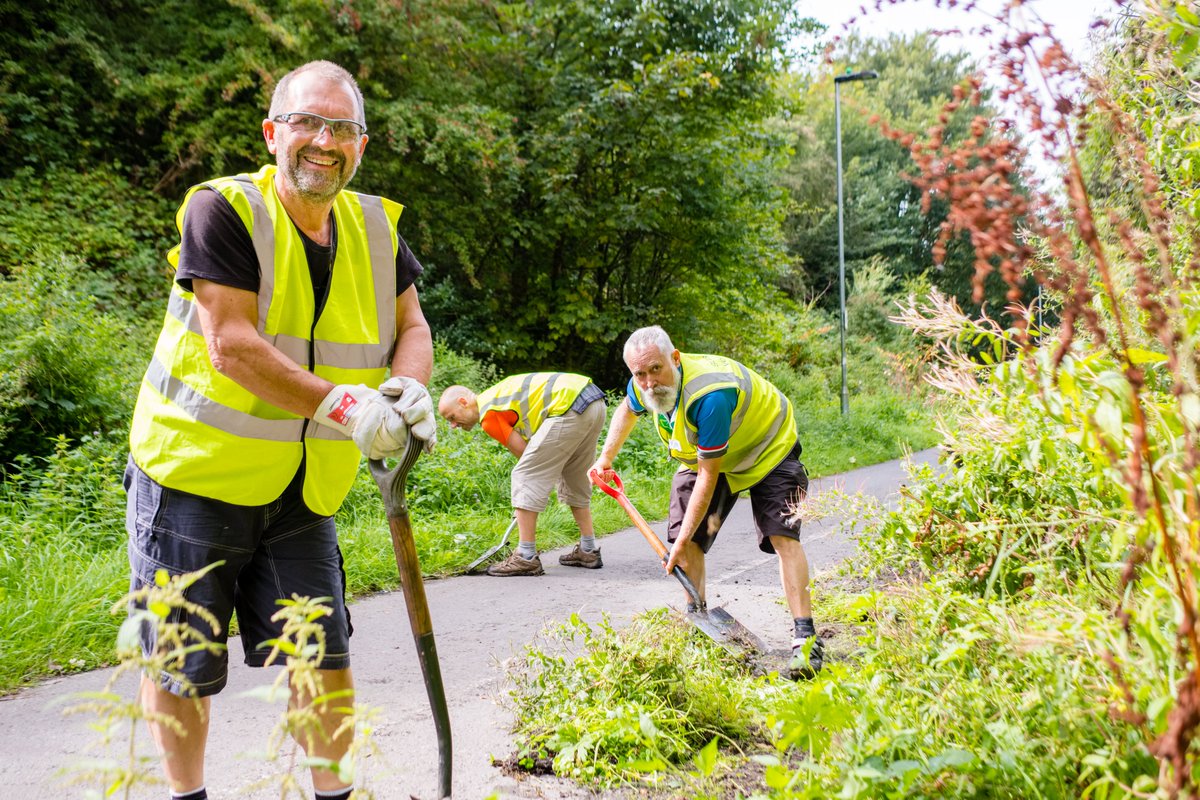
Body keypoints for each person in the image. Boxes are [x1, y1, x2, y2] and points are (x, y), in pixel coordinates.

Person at [124, 60, 437, 800]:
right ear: (273, 133)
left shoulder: (373, 226)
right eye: (307, 122)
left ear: (361, 144)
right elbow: (229, 345)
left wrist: (407, 389)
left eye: (343, 128)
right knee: (182, 663)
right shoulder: (222, 209)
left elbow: (412, 324)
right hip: (195, 476)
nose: (324, 140)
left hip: (305, 489)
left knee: (322, 658)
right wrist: (347, 408)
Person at [590, 326, 823, 679]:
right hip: (711, 458)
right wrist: (605, 459)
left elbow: (708, 475)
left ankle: (806, 640)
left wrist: (683, 538)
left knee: (782, 536)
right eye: (640, 374)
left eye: (656, 369)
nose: (650, 383)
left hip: (767, 447)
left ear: (675, 358)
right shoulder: (642, 386)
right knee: (686, 541)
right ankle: (698, 622)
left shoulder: (710, 395)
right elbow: (627, 409)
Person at [439, 373, 606, 576]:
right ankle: (588, 549)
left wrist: (525, 498)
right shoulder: (496, 395)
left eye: (452, 418)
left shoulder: (488, 415)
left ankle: (525, 556)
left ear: (463, 402)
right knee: (574, 474)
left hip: (568, 405)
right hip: (593, 400)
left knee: (525, 474)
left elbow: (526, 457)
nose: (453, 425)